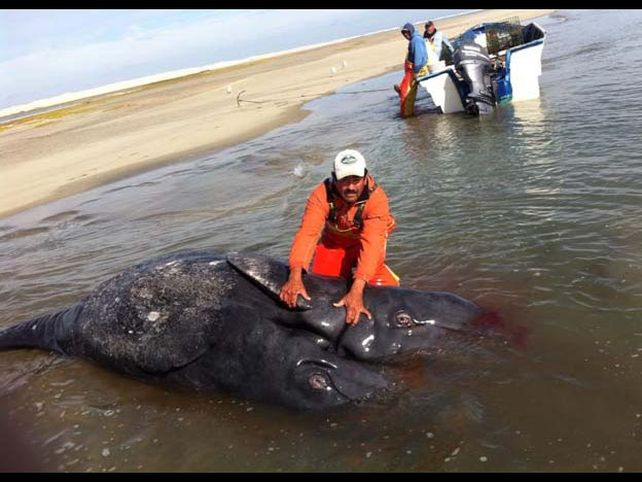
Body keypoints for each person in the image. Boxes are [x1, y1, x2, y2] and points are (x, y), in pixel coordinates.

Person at [279, 149, 399, 326]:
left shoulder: (377, 199)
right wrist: (295, 275)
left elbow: (372, 245)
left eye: (356, 180)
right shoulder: (320, 195)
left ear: (365, 177)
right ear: (334, 178)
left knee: (385, 294)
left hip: (366, 240)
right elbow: (308, 234)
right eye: (344, 180)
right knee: (324, 290)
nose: (351, 187)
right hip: (335, 242)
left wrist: (357, 289)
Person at [396, 22, 428, 118]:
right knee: (407, 92)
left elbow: (418, 57)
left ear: (411, 31)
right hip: (411, 71)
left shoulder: (415, 40)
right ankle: (400, 90)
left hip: (415, 71)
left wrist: (416, 71)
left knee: (406, 95)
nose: (405, 35)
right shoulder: (414, 39)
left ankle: (406, 115)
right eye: (404, 33)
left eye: (407, 32)